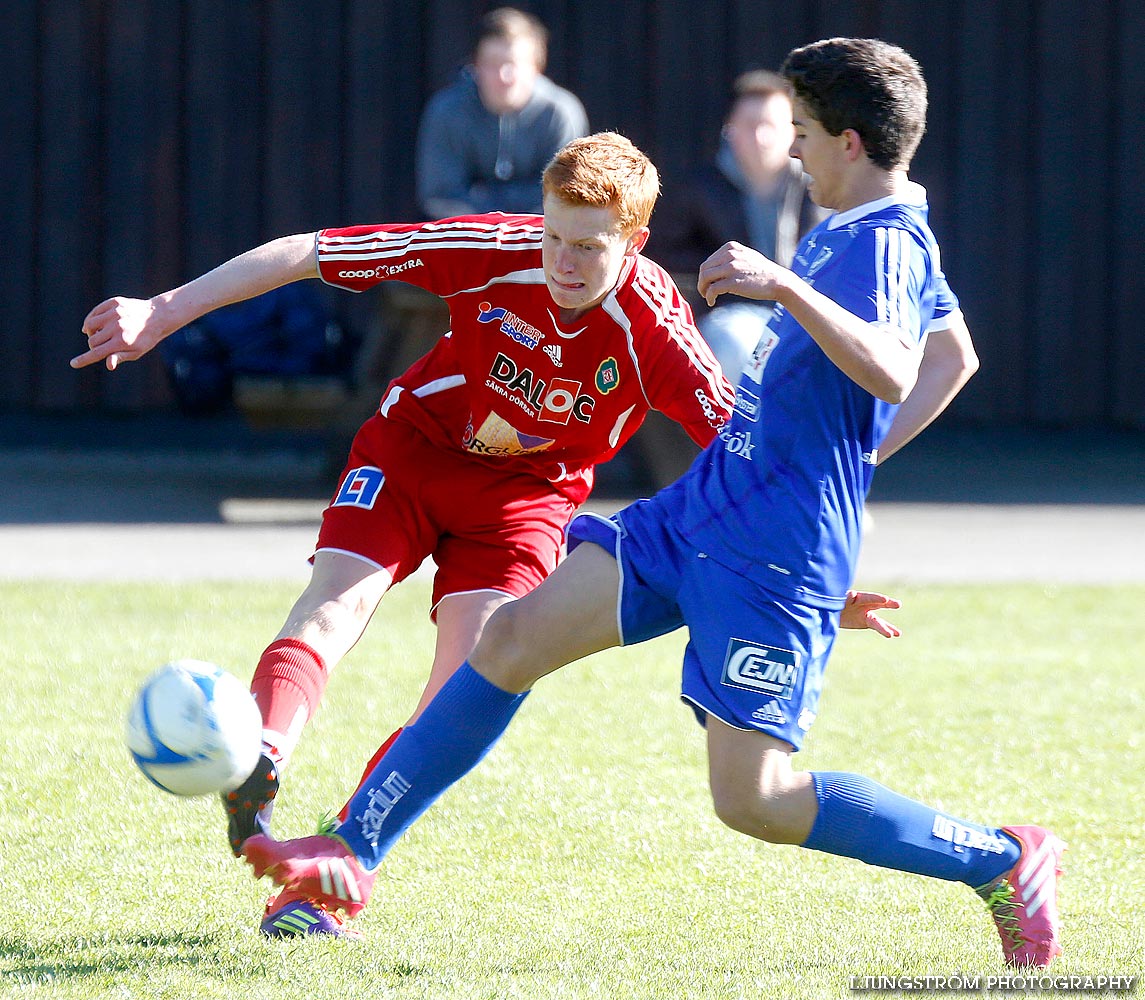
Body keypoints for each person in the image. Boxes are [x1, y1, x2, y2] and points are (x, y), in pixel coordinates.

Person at [242, 38, 1065, 969]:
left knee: (752, 800)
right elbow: (957, 357)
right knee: (508, 642)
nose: (789, 151)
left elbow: (896, 365)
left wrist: (783, 291)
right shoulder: (871, 220)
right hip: (703, 508)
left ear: (847, 140)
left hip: (773, 551)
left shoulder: (881, 240)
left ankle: (1003, 858)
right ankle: (344, 859)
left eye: (799, 133)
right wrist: (841, 459)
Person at [75, 131, 744, 936]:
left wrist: (813, 580)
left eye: (588, 248)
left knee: (462, 691)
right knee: (331, 607)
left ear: (634, 244)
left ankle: (327, 872)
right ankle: (263, 758)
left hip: (524, 503)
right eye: (552, 235)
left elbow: (749, 462)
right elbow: (305, 254)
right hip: (412, 453)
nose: (562, 262)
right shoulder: (492, 247)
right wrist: (164, 310)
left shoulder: (657, 331)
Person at [654, 69, 826, 378]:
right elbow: (667, 261)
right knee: (734, 344)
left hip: (805, 315)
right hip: (729, 315)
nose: (761, 138)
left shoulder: (819, 188)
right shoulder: (698, 189)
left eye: (771, 125)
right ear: (729, 129)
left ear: (793, 131)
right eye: (750, 126)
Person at [415, 7, 589, 219]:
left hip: (541, 239)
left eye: (514, 64)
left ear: (537, 66)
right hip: (469, 238)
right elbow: (440, 195)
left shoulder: (560, 113)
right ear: (475, 66)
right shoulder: (446, 111)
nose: (504, 76)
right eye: (492, 64)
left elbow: (565, 194)